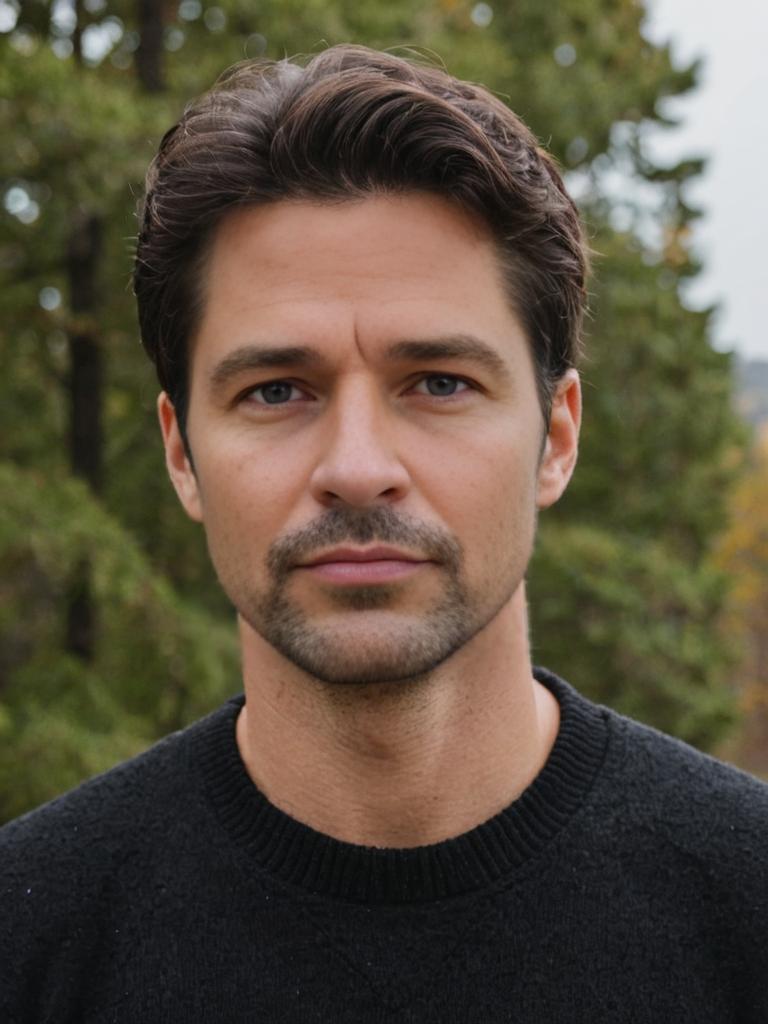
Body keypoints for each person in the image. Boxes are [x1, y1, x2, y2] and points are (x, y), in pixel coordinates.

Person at [1, 44, 767, 1023]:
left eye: (439, 383)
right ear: (182, 453)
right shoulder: (29, 941)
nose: (358, 465)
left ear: (556, 438)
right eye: (276, 390)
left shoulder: (746, 912)